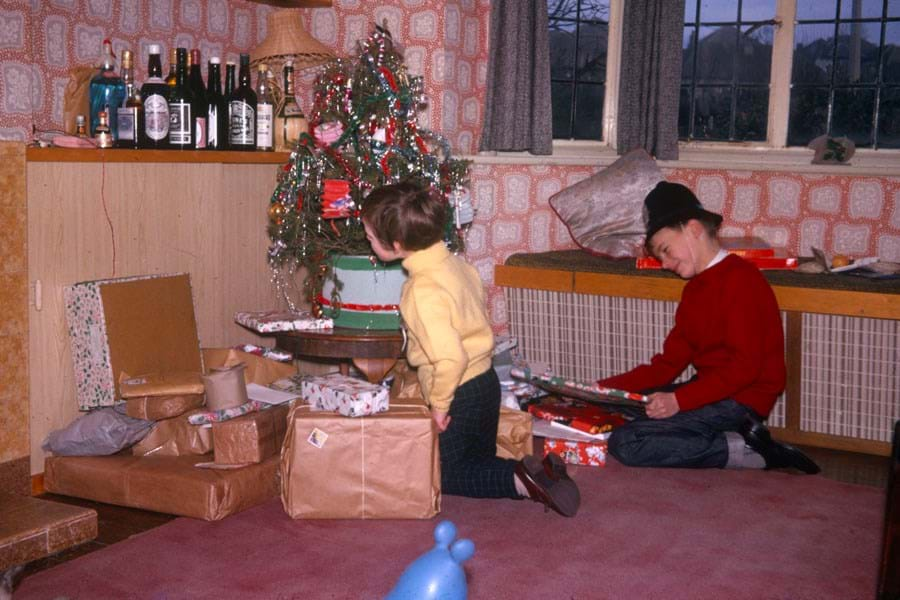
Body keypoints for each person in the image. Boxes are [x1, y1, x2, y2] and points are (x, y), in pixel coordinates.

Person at [362, 181, 581, 516]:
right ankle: (539, 471)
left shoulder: (421, 290)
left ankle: (522, 481)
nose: (368, 241)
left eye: (371, 237)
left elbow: (450, 357)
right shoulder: (458, 265)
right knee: (477, 459)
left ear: (396, 244)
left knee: (446, 472)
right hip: (485, 382)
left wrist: (439, 406)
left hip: (458, 389)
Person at [597, 181, 820, 474]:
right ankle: (715, 437)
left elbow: (745, 368)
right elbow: (666, 365)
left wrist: (679, 400)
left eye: (665, 250)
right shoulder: (695, 291)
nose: (664, 263)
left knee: (627, 441)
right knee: (626, 410)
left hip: (742, 398)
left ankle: (749, 450)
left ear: (693, 229)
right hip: (712, 390)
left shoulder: (742, 280)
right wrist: (603, 390)